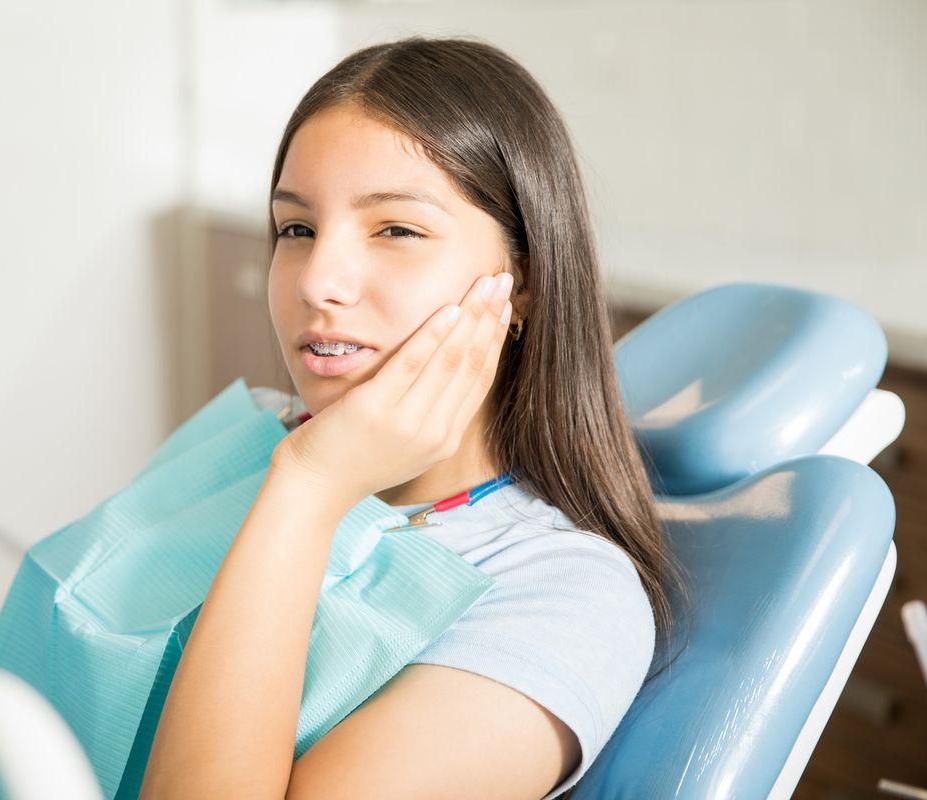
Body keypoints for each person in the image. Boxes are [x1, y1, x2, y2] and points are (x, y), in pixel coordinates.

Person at [139, 36, 686, 800]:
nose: (319, 280)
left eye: (395, 229)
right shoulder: (248, 434)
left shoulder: (565, 595)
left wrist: (308, 491)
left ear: (520, 282)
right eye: (296, 229)